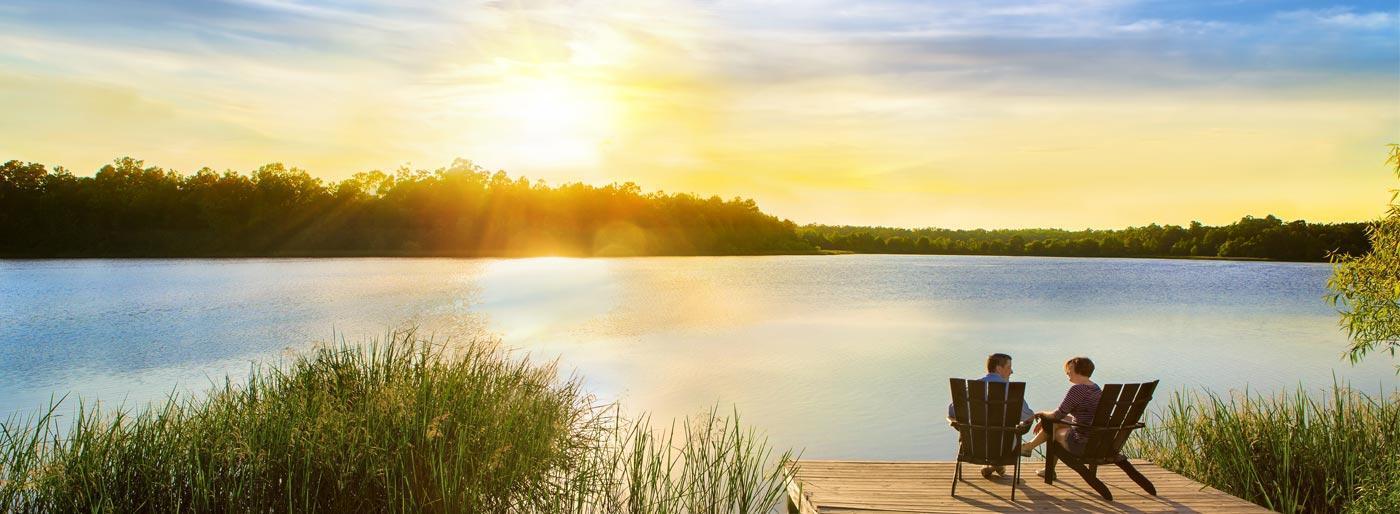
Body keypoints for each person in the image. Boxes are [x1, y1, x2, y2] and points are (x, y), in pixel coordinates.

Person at [947, 353, 1035, 479]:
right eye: (1009, 367)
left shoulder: (970, 388)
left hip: (973, 443)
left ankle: (994, 466)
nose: (1012, 371)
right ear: (999, 368)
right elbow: (1027, 417)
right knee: (1023, 424)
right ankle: (996, 464)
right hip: (1003, 446)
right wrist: (1034, 417)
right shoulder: (1010, 391)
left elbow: (952, 413)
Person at [1020, 356, 1101, 476]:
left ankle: (1035, 454)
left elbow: (1057, 415)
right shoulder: (1095, 388)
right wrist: (1047, 419)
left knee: (1053, 430)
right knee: (1055, 423)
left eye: (1069, 369)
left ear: (1077, 369)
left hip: (1081, 442)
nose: (1067, 372)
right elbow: (1065, 417)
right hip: (1095, 437)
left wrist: (1041, 414)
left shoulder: (1077, 389)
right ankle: (1030, 449)